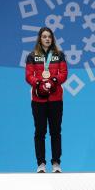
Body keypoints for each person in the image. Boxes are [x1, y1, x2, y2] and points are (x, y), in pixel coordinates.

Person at [25, 27, 68, 173]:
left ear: (52, 39)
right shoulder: (32, 56)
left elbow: (63, 73)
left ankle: (56, 163)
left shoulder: (59, 55)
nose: (47, 39)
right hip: (38, 100)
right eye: (44, 36)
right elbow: (28, 75)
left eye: (49, 36)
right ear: (39, 39)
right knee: (40, 131)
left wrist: (54, 80)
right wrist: (39, 83)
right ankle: (41, 164)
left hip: (56, 99)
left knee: (55, 131)